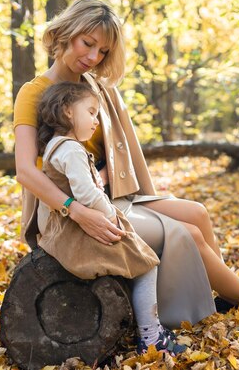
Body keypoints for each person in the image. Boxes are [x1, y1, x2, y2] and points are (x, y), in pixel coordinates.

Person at [13, 0, 239, 329]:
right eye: (87, 43)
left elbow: (105, 157)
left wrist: (102, 176)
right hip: (68, 213)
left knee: (197, 213)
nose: (93, 57)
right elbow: (26, 170)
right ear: (66, 32)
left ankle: (229, 296)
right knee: (186, 234)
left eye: (102, 51)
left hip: (107, 195)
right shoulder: (34, 92)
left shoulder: (96, 89)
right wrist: (77, 209)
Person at [34, 81, 185, 354]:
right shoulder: (70, 149)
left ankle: (150, 328)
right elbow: (87, 193)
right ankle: (151, 336)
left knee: (140, 258)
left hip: (70, 229)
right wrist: (111, 216)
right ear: (67, 111)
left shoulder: (57, 147)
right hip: (80, 233)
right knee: (147, 262)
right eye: (91, 112)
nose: (95, 121)